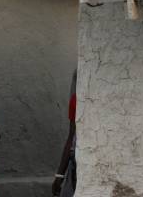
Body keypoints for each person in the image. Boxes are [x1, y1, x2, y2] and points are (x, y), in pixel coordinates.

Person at [51, 69, 77, 197]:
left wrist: (59, 175)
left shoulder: (75, 101)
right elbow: (71, 137)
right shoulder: (75, 101)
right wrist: (60, 175)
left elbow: (71, 137)